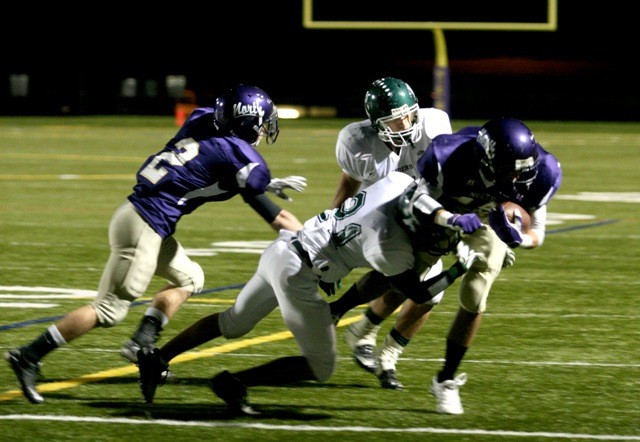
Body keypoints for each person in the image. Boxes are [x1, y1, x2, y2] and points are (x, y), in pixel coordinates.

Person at [4, 84, 307, 404]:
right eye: (261, 123)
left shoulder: (202, 120)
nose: (264, 130)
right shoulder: (239, 155)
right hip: (143, 226)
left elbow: (210, 167)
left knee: (190, 278)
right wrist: (309, 239)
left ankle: (142, 341)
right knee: (109, 310)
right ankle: (29, 355)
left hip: (140, 219)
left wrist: (259, 182)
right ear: (248, 123)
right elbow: (275, 215)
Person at [135, 171, 483, 414]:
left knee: (234, 321)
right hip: (299, 273)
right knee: (321, 366)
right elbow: (418, 293)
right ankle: (233, 382)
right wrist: (457, 269)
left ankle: (158, 358)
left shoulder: (399, 183)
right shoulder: (389, 243)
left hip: (287, 247)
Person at [331, 117, 562, 414]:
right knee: (408, 275)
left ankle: (446, 379)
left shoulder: (545, 171)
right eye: (508, 171)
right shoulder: (449, 155)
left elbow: (537, 233)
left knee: (476, 296)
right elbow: (418, 198)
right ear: (485, 159)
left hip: (490, 217)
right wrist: (449, 219)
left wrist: (518, 238)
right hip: (444, 208)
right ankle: (343, 312)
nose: (517, 180)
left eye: (523, 171)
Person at [329, 76, 453, 390]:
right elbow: (348, 186)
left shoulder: (435, 124)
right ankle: (351, 321)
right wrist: (333, 238)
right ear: (376, 123)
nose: (405, 125)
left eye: (408, 116)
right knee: (403, 273)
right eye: (395, 122)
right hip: (380, 210)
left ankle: (375, 340)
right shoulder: (356, 141)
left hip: (424, 208)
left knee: (429, 293)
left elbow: (447, 180)